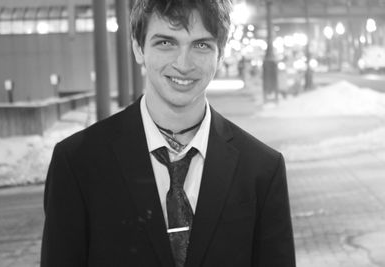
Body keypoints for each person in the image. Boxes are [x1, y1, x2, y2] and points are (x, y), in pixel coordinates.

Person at [40, 0, 296, 266]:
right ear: (138, 48)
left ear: (220, 55)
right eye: (166, 43)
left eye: (201, 45)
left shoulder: (262, 168)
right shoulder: (77, 163)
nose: (183, 64)